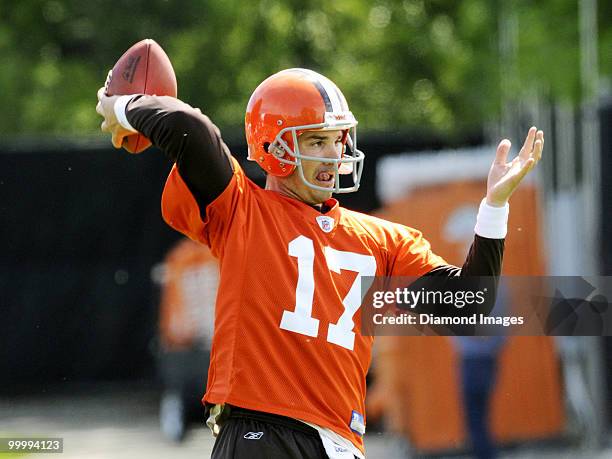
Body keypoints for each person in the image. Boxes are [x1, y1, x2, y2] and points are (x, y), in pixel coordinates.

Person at [96, 67, 543, 459]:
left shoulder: (381, 238)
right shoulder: (242, 209)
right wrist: (125, 106)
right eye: (315, 140)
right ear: (273, 146)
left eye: (336, 139)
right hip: (261, 432)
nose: (332, 153)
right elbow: (185, 125)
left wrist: (494, 208)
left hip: (339, 441)